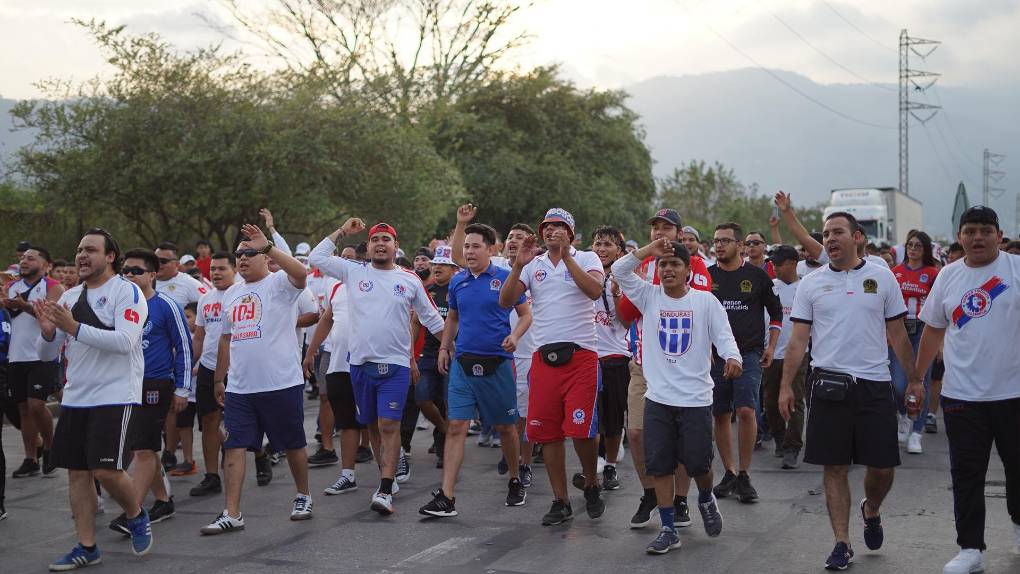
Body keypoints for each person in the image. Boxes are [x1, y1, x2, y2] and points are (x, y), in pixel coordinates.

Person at [778, 211, 922, 571]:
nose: (830, 239)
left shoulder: (882, 277)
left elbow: (898, 334)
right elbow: (797, 342)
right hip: (828, 385)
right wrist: (785, 386)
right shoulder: (811, 283)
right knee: (834, 467)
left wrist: (914, 379)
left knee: (883, 467)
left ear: (857, 237)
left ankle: (871, 509)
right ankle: (842, 542)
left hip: (874, 385)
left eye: (837, 232)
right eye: (826, 233)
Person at [309, 218, 445, 515]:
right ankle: (387, 468)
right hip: (359, 366)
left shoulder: (409, 279)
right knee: (370, 423)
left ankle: (385, 488)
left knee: (388, 424)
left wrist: (451, 347)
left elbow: (433, 319)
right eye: (375, 239)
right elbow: (316, 258)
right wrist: (343, 231)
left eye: (386, 239)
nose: (381, 243)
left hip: (395, 366)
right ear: (368, 248)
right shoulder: (353, 271)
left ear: (396, 246)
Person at [36, 228, 153, 569]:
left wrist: (72, 327)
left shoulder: (127, 292)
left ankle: (135, 513)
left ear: (110, 256)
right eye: (79, 250)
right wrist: (46, 330)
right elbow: (49, 350)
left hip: (115, 394)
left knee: (105, 471)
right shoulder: (70, 296)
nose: (82, 256)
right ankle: (87, 546)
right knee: (78, 474)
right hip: (76, 396)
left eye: (90, 249)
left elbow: (125, 342)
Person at [613, 238, 739, 554]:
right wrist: (649, 250)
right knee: (660, 466)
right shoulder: (648, 296)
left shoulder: (705, 302)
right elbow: (618, 269)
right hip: (658, 398)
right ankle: (669, 528)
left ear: (687, 271)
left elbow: (724, 336)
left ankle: (707, 497)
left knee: (699, 465)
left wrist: (732, 357)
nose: (668, 270)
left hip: (696, 399)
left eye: (675, 265)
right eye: (663, 265)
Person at [913, 206, 1020, 574]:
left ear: (999, 235)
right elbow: (932, 330)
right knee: (967, 475)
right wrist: (917, 378)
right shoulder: (948, 276)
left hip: (1014, 393)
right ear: (959, 236)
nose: (978, 237)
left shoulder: (1015, 270)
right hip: (963, 396)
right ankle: (970, 549)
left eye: (985, 231)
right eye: (970, 231)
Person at [200, 224, 314, 535]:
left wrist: (269, 246)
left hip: (281, 382)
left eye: (250, 253)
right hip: (240, 387)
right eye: (239, 254)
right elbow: (226, 338)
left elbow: (301, 274)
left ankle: (303, 495)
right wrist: (219, 379)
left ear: (265, 257)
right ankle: (232, 512)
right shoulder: (233, 293)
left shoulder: (280, 283)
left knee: (292, 444)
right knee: (234, 445)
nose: (243, 258)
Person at [498, 207, 606, 526]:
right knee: (549, 434)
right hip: (543, 357)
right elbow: (506, 301)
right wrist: (519, 265)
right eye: (547, 227)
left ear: (570, 233)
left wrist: (566, 257)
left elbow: (595, 291)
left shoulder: (587, 258)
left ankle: (590, 481)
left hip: (582, 356)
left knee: (582, 431)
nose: (551, 231)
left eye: (559, 227)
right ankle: (561, 500)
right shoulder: (534, 264)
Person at [419, 224, 531, 517]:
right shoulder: (458, 282)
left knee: (507, 427)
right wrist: (445, 347)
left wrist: (515, 336)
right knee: (456, 426)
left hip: (497, 363)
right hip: (463, 363)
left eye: (475, 246)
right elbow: (453, 318)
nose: (468, 251)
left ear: (491, 250)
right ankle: (447, 496)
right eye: (466, 246)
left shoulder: (506, 278)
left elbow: (525, 314)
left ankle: (515, 479)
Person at [615, 208, 713, 530]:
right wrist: (647, 263)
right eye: (654, 227)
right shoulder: (643, 263)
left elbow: (697, 309)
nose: (659, 232)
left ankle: (681, 499)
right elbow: (626, 312)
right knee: (638, 433)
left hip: (681, 370)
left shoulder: (695, 266)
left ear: (678, 232)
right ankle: (651, 494)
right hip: (643, 365)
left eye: (666, 227)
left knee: (683, 443)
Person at [108, 249, 193, 533]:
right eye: (126, 271)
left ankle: (132, 512)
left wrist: (182, 388)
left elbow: (184, 347)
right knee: (144, 447)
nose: (129, 275)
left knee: (143, 449)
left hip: (155, 384)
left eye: (137, 271)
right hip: (124, 384)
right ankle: (162, 500)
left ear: (153, 275)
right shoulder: (119, 306)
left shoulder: (166, 306)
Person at [708, 223, 782, 504]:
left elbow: (776, 314)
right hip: (716, 355)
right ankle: (728, 472)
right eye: (716, 241)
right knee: (720, 413)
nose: (719, 245)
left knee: (747, 411)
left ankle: (744, 473)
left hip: (750, 353)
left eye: (725, 241)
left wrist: (772, 346)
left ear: (740, 245)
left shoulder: (757, 276)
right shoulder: (706, 275)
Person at [303, 246, 367, 496]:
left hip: (368, 363)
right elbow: (327, 319)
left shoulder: (376, 284)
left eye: (354, 260)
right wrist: (311, 352)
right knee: (348, 423)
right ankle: (347, 475)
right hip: (339, 364)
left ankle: (390, 472)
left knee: (376, 421)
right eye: (344, 260)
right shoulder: (337, 287)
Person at [4, 245, 63, 478]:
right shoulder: (10, 286)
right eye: (23, 258)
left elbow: (49, 317)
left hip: (42, 354)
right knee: (23, 409)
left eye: (31, 258)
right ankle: (30, 458)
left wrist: (24, 306)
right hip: (16, 355)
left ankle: (50, 447)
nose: (25, 262)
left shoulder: (53, 287)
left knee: (37, 405)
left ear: (46, 265)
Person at [187, 253, 236, 497]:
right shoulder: (205, 299)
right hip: (208, 368)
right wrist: (187, 367)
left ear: (234, 270)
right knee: (209, 421)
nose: (216, 273)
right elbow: (199, 337)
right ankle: (212, 476)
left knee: (239, 422)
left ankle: (259, 456)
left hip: (237, 368)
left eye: (222, 269)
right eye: (213, 269)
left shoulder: (243, 294)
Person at [889, 230, 940, 455]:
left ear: (925, 249)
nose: (913, 249)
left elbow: (939, 309)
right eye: (910, 245)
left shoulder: (932, 273)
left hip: (923, 329)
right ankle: (903, 416)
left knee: (921, 381)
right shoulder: (895, 272)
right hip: (898, 329)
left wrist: (940, 343)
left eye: (918, 245)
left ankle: (917, 433)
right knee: (898, 383)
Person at [590, 226, 631, 490]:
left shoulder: (626, 277)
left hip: (616, 355)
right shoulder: (585, 273)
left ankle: (611, 467)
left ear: (618, 250)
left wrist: (616, 292)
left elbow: (626, 320)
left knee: (614, 420)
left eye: (607, 245)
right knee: (592, 419)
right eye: (597, 244)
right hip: (587, 355)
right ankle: (594, 464)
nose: (601, 249)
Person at [410, 246, 458, 470]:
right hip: (428, 354)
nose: (437, 267)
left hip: (454, 354)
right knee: (421, 397)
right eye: (435, 263)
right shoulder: (426, 290)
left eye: (443, 264)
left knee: (449, 403)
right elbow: (417, 323)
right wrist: (410, 351)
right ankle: (444, 428)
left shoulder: (459, 289)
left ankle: (445, 450)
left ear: (453, 268)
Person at [760, 246, 807, 470]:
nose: (774, 267)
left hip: (798, 354)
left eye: (778, 263)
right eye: (773, 263)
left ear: (792, 263)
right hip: (772, 353)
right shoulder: (770, 287)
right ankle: (780, 438)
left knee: (795, 400)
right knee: (770, 400)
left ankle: (792, 446)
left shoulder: (806, 287)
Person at [154, 242, 208, 310]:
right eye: (155, 260)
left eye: (163, 261)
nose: (158, 264)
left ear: (177, 264)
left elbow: (207, 307)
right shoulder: (146, 282)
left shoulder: (190, 283)